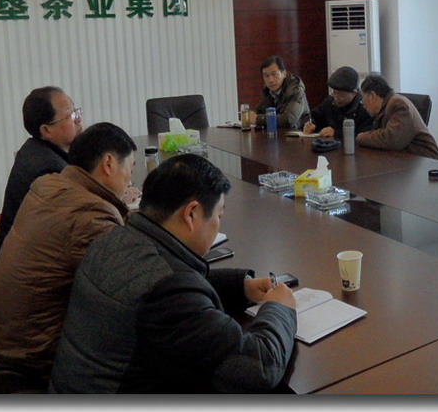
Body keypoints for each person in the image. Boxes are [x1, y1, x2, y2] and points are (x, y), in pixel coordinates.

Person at [49, 155, 297, 393]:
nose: (218, 223)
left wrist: (240, 287)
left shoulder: (114, 240)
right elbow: (260, 367)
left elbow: (164, 286)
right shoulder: (169, 295)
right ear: (191, 214)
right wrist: (279, 308)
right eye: (219, 215)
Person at [0, 122, 137, 382]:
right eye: (130, 169)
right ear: (108, 164)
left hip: (1, 346)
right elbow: (127, 283)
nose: (129, 180)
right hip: (30, 364)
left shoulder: (49, 185)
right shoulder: (92, 216)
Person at [0, 86, 83, 252]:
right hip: (28, 261)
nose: (78, 119)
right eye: (70, 115)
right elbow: (77, 224)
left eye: (76, 111)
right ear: (46, 130)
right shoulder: (47, 170)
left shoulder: (37, 149)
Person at [355, 74, 438, 159]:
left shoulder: (398, 104)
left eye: (362, 99)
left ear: (372, 96)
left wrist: (361, 137)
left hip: (427, 162)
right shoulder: (385, 106)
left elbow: (392, 140)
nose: (363, 105)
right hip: (408, 160)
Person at [302, 66, 373, 139]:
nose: (336, 98)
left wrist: (337, 133)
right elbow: (312, 116)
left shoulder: (365, 108)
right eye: (334, 93)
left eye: (341, 95)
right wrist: (309, 124)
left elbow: (365, 135)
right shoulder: (330, 102)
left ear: (354, 94)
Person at [249, 56, 310, 130]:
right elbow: (259, 110)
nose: (270, 80)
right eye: (266, 76)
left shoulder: (295, 90)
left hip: (298, 132)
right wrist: (250, 115)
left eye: (274, 74)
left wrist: (258, 119)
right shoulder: (268, 90)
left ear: (284, 73)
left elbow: (289, 119)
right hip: (278, 133)